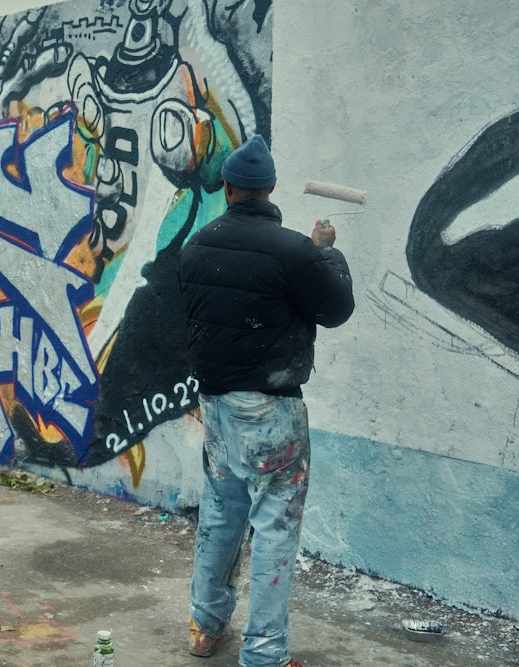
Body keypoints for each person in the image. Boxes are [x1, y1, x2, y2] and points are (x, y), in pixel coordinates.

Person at [176, 134, 355, 667]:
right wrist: (327, 252)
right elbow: (336, 309)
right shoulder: (296, 250)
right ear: (269, 189)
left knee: (220, 515)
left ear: (228, 189)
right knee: (274, 526)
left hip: (217, 408)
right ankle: (265, 654)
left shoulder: (197, 246)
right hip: (272, 412)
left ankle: (205, 628)